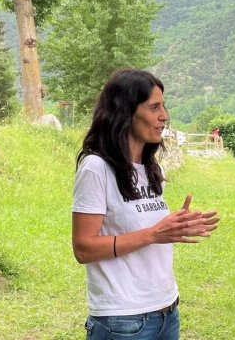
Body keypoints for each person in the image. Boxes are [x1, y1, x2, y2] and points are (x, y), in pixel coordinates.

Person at [72, 69, 220, 340]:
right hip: (122, 320)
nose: (164, 116)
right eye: (154, 107)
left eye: (163, 106)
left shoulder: (150, 169)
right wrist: (155, 233)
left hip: (166, 311)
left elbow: (151, 231)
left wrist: (175, 227)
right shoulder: (96, 168)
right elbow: (83, 248)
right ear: (125, 112)